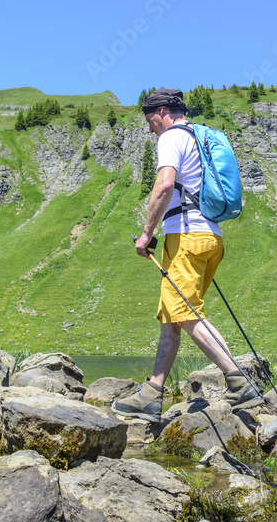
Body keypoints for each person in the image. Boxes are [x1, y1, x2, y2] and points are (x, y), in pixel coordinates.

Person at [112, 88, 263, 423]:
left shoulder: (172, 137)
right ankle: (152, 394)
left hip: (186, 236)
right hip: (211, 238)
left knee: (184, 312)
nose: (151, 128)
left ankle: (238, 381)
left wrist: (147, 233)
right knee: (173, 316)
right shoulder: (199, 137)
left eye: (150, 120)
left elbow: (165, 185)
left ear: (163, 112)